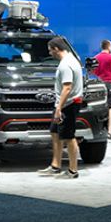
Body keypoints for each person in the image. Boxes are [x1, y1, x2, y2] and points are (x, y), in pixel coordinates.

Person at [38, 36, 83, 179]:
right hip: (64, 104)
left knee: (69, 137)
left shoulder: (66, 65)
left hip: (67, 105)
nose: (50, 53)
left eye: (50, 50)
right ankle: (55, 166)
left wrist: (59, 108)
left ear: (56, 49)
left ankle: (73, 170)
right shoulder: (71, 60)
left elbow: (67, 87)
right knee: (55, 133)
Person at [93, 40, 111, 142]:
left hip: (98, 84)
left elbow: (93, 73)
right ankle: (109, 131)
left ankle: (99, 130)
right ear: (109, 46)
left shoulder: (96, 58)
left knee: (99, 107)